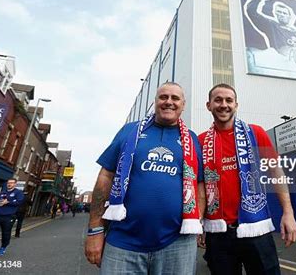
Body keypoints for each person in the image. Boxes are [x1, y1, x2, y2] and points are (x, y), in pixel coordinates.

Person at [85, 82, 206, 274]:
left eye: (175, 98)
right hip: (122, 243)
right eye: (163, 97)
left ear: (183, 104)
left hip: (178, 244)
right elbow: (106, 176)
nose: (169, 102)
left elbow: (199, 184)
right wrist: (95, 230)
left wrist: (197, 222)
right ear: (155, 102)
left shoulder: (192, 139)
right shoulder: (129, 131)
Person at [198, 83, 296, 275]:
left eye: (229, 100)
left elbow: (276, 172)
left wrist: (288, 213)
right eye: (218, 100)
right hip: (218, 234)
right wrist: (200, 223)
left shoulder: (256, 133)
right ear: (208, 105)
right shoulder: (201, 141)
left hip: (256, 229)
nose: (224, 105)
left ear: (236, 105)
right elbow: (201, 187)